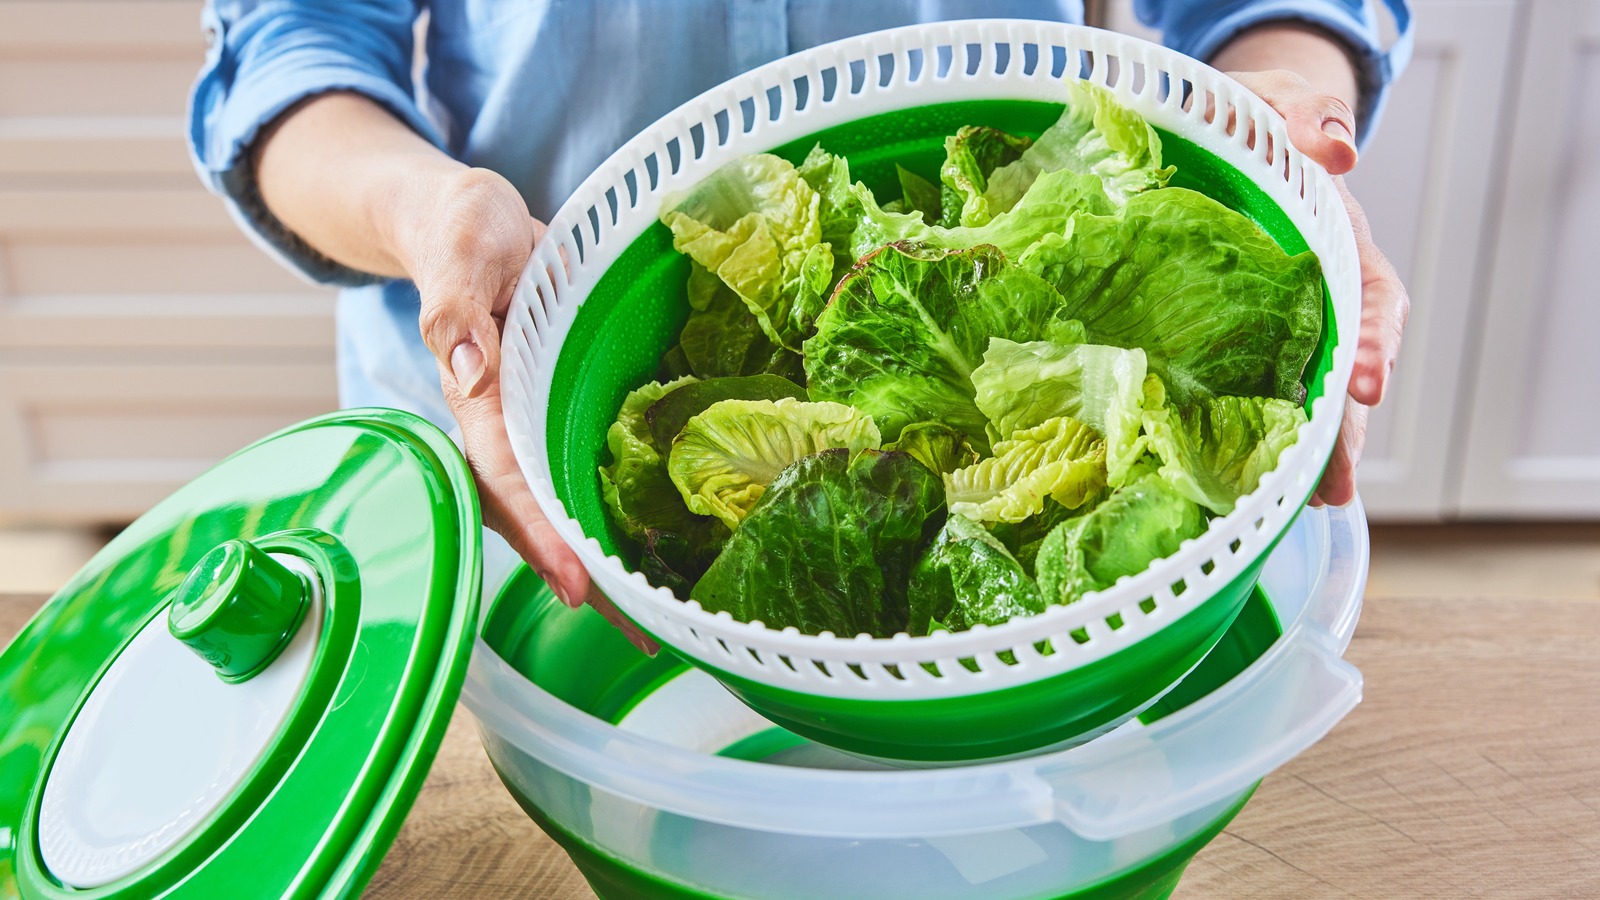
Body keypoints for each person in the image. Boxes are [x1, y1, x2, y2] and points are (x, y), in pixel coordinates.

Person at [189, 1, 1412, 647]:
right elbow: (292, 47)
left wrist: (1275, 114)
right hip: (519, 438)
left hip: (1037, 518)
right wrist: (428, 212)